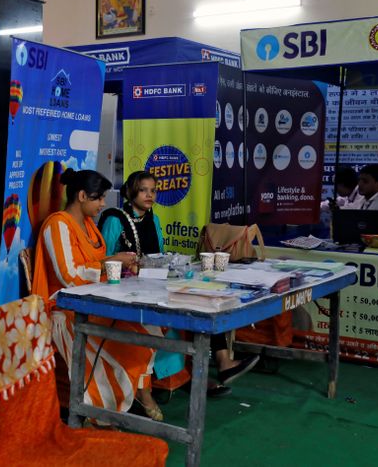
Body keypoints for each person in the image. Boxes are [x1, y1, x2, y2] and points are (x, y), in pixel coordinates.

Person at [98, 171, 259, 394]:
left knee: (201, 300)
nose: (149, 195)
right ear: (131, 191)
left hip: (152, 283)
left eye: (153, 191)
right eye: (144, 190)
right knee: (182, 315)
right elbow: (103, 259)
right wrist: (128, 266)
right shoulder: (115, 219)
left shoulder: (152, 218)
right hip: (125, 291)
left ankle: (222, 362)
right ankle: (191, 379)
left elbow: (160, 255)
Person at [32, 169, 164, 421]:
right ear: (82, 195)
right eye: (98, 198)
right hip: (63, 308)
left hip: (94, 302)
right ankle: (98, 414)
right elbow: (69, 276)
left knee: (147, 327)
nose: (103, 204)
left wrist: (123, 266)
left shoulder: (90, 226)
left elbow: (97, 266)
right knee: (118, 338)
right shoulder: (57, 225)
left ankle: (134, 393)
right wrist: (112, 261)